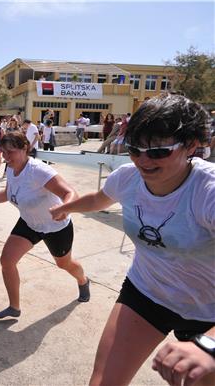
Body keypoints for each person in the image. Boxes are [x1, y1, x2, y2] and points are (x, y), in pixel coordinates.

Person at [49, 93, 215, 386]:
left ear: (191, 145)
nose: (143, 160)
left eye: (158, 152)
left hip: (208, 312)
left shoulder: (207, 193)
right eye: (134, 149)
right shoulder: (128, 177)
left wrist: (208, 345)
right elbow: (99, 199)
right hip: (147, 291)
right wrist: (66, 206)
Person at [0, 131, 90, 319]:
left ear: (25, 149)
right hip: (29, 223)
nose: (6, 157)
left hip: (55, 226)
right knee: (7, 260)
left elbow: (70, 192)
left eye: (11, 152)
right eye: (3, 152)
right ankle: (14, 307)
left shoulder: (38, 171)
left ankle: (83, 280)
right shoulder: (10, 168)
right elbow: (8, 193)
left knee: (64, 264)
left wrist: (65, 208)